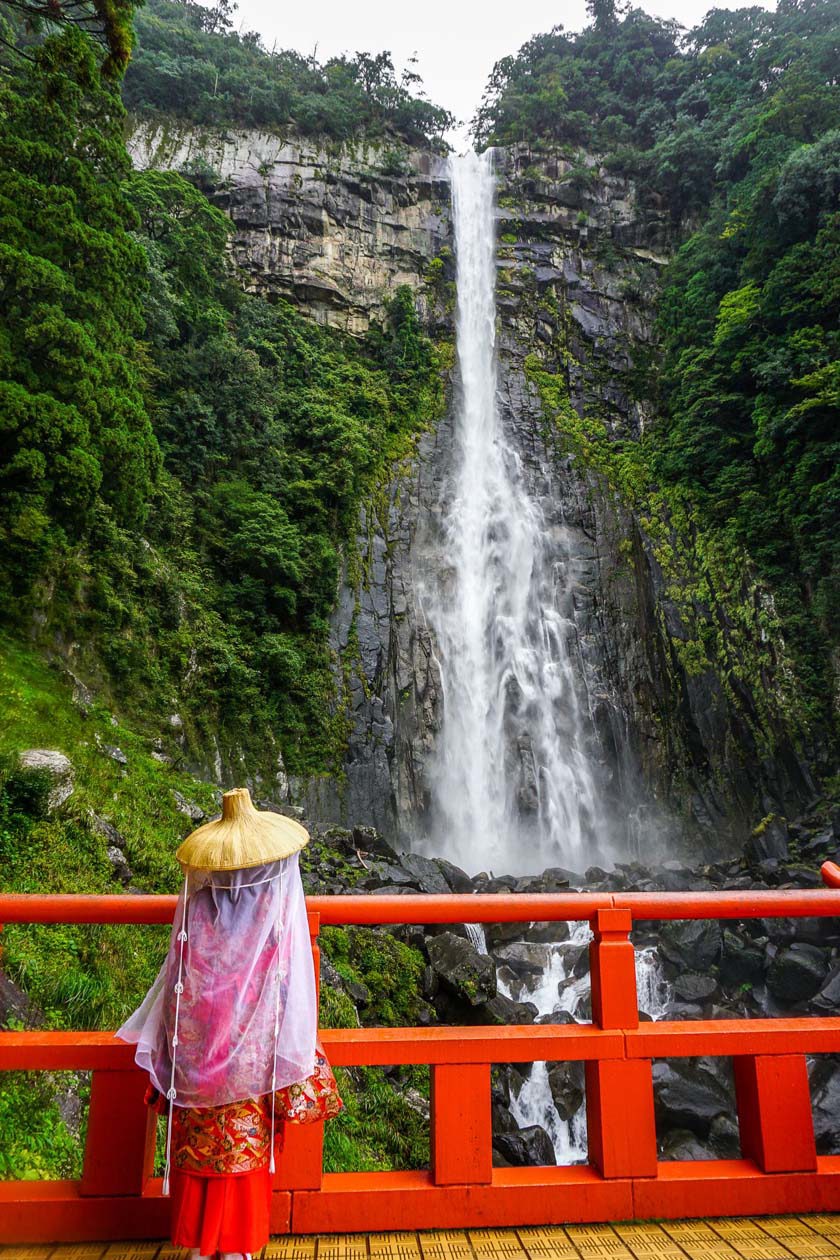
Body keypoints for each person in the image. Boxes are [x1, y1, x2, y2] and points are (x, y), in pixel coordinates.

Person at [118, 787, 342, 1260]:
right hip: (250, 1057)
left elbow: (181, 978)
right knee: (241, 1146)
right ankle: (235, 1244)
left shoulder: (196, 909)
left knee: (203, 1145)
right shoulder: (271, 914)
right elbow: (282, 985)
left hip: (197, 1050)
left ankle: (202, 1241)